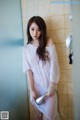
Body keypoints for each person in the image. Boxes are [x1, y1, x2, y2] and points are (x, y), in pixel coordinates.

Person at [23, 16, 60, 120]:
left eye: (39, 30)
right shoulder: (26, 48)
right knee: (37, 116)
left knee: (49, 117)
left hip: (49, 86)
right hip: (36, 87)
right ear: (28, 29)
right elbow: (28, 71)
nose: (35, 33)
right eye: (32, 29)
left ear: (43, 30)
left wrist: (52, 85)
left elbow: (54, 64)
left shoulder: (48, 42)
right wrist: (32, 90)